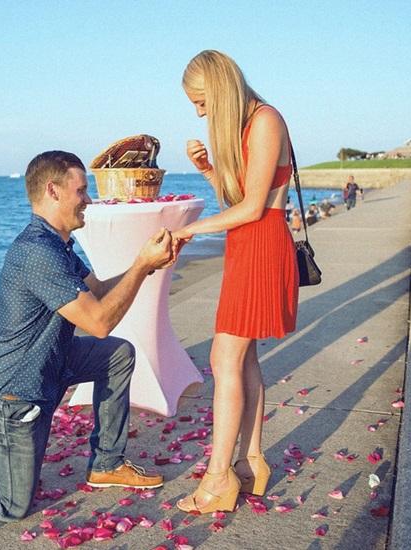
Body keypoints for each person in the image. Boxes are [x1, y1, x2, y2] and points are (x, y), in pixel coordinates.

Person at [0, 151, 174, 522]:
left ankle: (106, 463)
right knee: (11, 504)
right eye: (81, 191)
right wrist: (142, 263)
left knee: (116, 354)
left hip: (50, 365)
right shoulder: (37, 253)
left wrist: (147, 266)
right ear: (53, 191)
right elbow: (99, 322)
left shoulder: (57, 245)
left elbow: (99, 292)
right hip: (13, 393)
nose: (88, 200)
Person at [173, 50, 298, 513]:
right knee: (242, 360)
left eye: (202, 102)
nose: (199, 112)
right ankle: (250, 463)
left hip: (262, 244)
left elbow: (252, 208)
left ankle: (218, 476)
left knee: (224, 357)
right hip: (249, 244)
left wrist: (189, 230)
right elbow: (238, 199)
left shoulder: (265, 120)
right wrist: (209, 169)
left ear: (220, 89)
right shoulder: (250, 125)